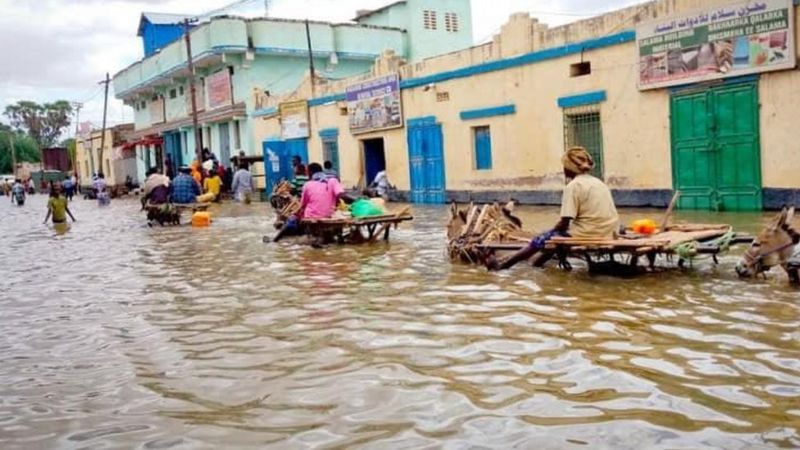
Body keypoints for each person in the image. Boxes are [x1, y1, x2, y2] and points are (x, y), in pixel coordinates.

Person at [487, 146, 619, 271]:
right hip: (610, 231)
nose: (563, 170)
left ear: (569, 168)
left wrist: (549, 232)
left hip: (589, 233)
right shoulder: (599, 182)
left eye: (564, 167)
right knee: (553, 237)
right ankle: (536, 263)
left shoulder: (573, 186)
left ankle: (503, 266)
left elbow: (564, 223)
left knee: (541, 239)